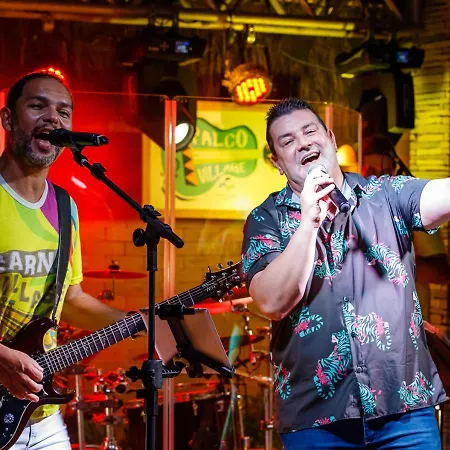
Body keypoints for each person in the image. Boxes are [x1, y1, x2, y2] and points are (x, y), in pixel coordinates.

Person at [242, 98, 447, 449]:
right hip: (316, 419)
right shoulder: (266, 219)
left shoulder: (385, 195)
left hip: (405, 412)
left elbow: (438, 196)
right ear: (277, 162)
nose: (303, 143)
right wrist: (309, 220)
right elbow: (272, 302)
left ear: (331, 139)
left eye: (310, 131)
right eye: (288, 141)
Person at [0, 70, 128, 449]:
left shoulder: (63, 206)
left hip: (40, 416)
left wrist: (139, 321)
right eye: (37, 105)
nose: (53, 118)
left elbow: (70, 299)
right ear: (7, 119)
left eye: (63, 112)